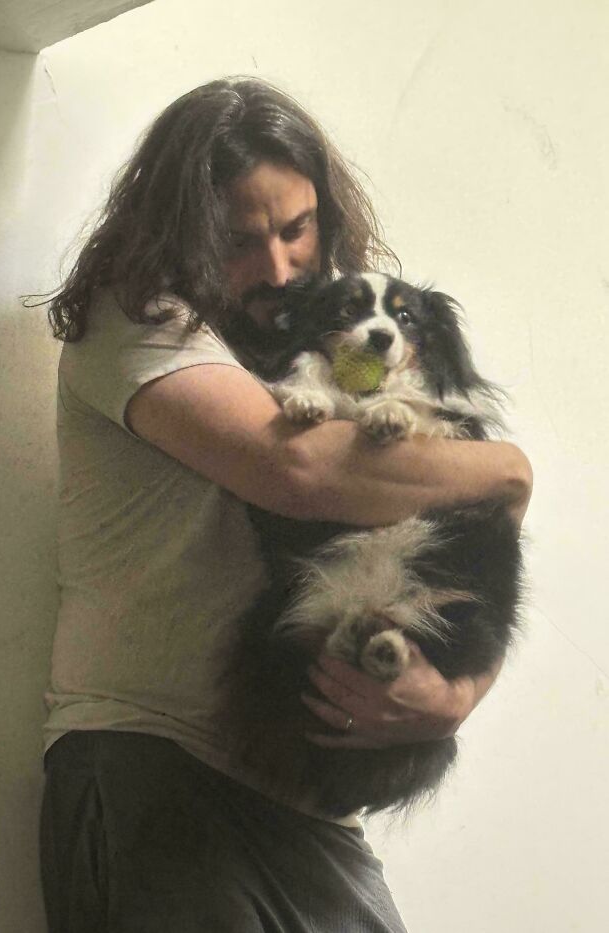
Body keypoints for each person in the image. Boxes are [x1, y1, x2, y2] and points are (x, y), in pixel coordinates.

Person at [38, 77, 532, 932]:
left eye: (296, 229)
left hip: (309, 795)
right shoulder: (138, 318)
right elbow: (297, 470)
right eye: (239, 240)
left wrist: (456, 691)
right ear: (183, 230)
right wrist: (510, 470)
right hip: (157, 766)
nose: (276, 267)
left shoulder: (336, 337)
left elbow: (467, 542)